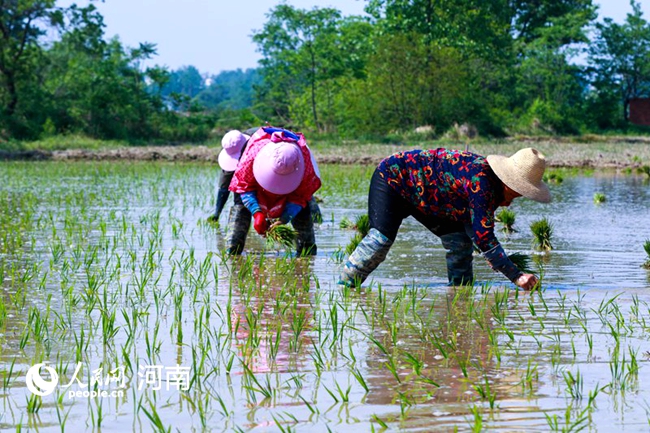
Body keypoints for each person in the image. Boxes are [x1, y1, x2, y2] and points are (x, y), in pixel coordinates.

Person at [338, 147, 551, 290]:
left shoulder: (489, 185)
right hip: (394, 178)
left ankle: (459, 295)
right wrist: (517, 276)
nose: (508, 204)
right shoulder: (482, 183)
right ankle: (344, 289)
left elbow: (475, 231)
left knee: (459, 244)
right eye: (513, 195)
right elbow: (484, 238)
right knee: (379, 241)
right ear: (507, 183)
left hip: (430, 197)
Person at [226, 126, 322, 255]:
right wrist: (257, 213)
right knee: (240, 211)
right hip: (254, 174)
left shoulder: (305, 166)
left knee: (305, 236)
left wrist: (284, 218)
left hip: (296, 185)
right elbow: (244, 187)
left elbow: (301, 196)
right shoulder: (251, 155)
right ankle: (232, 251)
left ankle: (307, 251)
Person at [208, 128, 323, 224]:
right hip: (259, 169)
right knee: (240, 199)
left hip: (284, 159)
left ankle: (316, 219)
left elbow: (302, 193)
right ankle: (238, 236)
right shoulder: (233, 154)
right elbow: (228, 187)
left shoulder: (262, 144)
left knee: (301, 192)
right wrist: (217, 214)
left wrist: (285, 218)